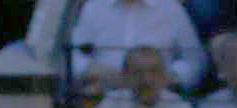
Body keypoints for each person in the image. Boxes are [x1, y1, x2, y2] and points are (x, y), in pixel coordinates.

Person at [69, 0, 208, 93]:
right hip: (103, 99)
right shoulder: (94, 7)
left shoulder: (171, 8)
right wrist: (96, 71)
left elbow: (196, 60)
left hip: (158, 103)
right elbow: (74, 56)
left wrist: (166, 78)